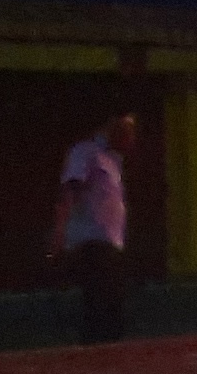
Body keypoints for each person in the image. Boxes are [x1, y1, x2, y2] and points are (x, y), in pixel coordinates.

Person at [50, 115, 138, 344]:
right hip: (92, 241)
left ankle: (108, 350)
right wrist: (61, 231)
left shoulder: (113, 159)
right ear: (113, 128)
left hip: (109, 242)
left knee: (112, 305)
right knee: (100, 303)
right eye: (127, 131)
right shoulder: (86, 152)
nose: (132, 138)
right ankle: (95, 352)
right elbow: (71, 190)